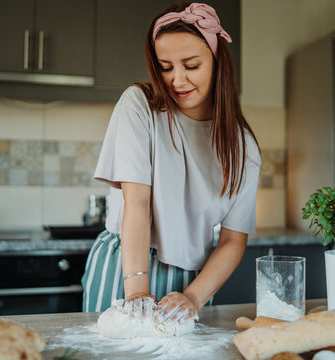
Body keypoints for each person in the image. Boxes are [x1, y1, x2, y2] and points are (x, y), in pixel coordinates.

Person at [81, 1, 261, 323]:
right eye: (166, 67)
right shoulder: (139, 106)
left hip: (192, 281)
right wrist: (136, 292)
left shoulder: (243, 146)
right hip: (125, 266)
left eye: (191, 65)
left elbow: (233, 240)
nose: (177, 80)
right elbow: (137, 203)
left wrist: (193, 296)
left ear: (218, 62)